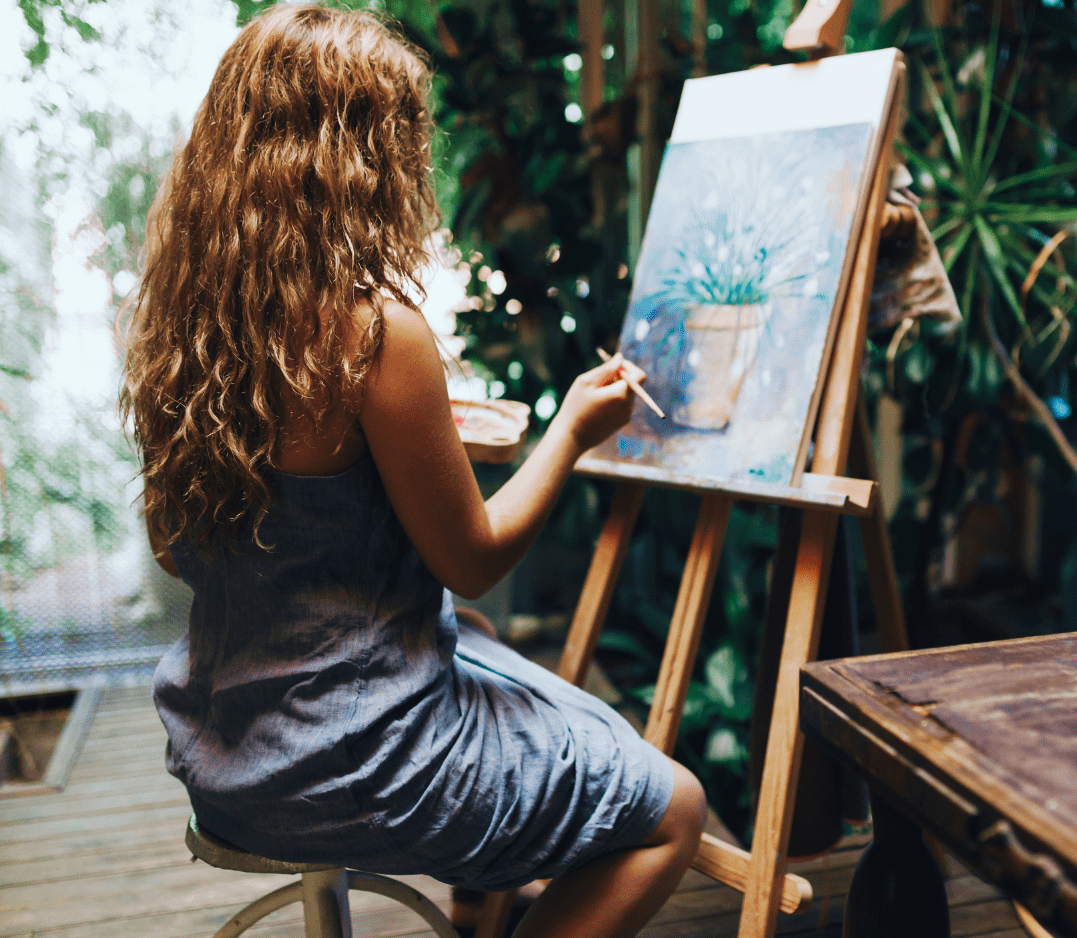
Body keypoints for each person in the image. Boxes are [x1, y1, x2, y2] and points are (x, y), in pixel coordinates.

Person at [118, 6, 705, 937]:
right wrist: (573, 432)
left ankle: (481, 905)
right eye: (403, 136)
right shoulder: (374, 335)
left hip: (225, 751)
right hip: (353, 761)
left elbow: (178, 544)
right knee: (672, 808)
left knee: (472, 638)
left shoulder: (186, 329)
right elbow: (474, 558)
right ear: (356, 157)